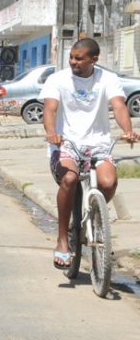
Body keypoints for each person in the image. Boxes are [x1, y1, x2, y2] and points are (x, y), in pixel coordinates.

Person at [41, 38, 139, 269]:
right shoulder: (58, 79)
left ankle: (94, 214)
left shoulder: (108, 79)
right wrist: (52, 132)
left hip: (99, 144)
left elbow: (118, 106)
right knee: (69, 179)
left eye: (79, 58)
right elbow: (50, 109)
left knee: (108, 183)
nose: (73, 61)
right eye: (72, 57)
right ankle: (63, 239)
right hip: (66, 144)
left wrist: (128, 131)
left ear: (93, 59)